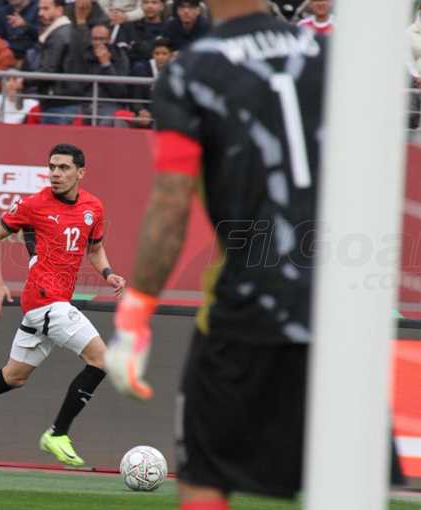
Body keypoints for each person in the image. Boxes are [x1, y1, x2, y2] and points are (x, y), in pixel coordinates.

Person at [104, 1, 329, 508]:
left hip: (250, 305)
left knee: (204, 477)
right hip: (340, 308)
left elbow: (171, 204)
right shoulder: (332, 56)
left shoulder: (192, 70)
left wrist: (135, 316)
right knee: (343, 475)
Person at [0, 144, 126, 467]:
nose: (55, 173)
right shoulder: (35, 204)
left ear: (80, 173)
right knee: (101, 359)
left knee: (13, 376)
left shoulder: (93, 207)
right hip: (45, 299)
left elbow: (95, 249)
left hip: (51, 304)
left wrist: (108, 273)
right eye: (52, 167)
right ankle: (57, 433)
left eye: (63, 168)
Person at [68, 22, 130, 126]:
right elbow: (76, 86)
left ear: (109, 40)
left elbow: (121, 91)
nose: (98, 43)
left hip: (109, 104)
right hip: (84, 103)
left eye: (102, 39)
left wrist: (106, 65)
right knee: (66, 118)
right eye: (95, 39)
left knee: (107, 121)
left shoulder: (119, 56)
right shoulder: (83, 55)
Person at [31, 0, 78, 125]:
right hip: (62, 100)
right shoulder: (64, 31)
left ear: (59, 10)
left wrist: (24, 81)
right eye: (40, 9)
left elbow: (48, 70)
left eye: (46, 8)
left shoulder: (58, 35)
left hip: (58, 102)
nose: (40, 13)